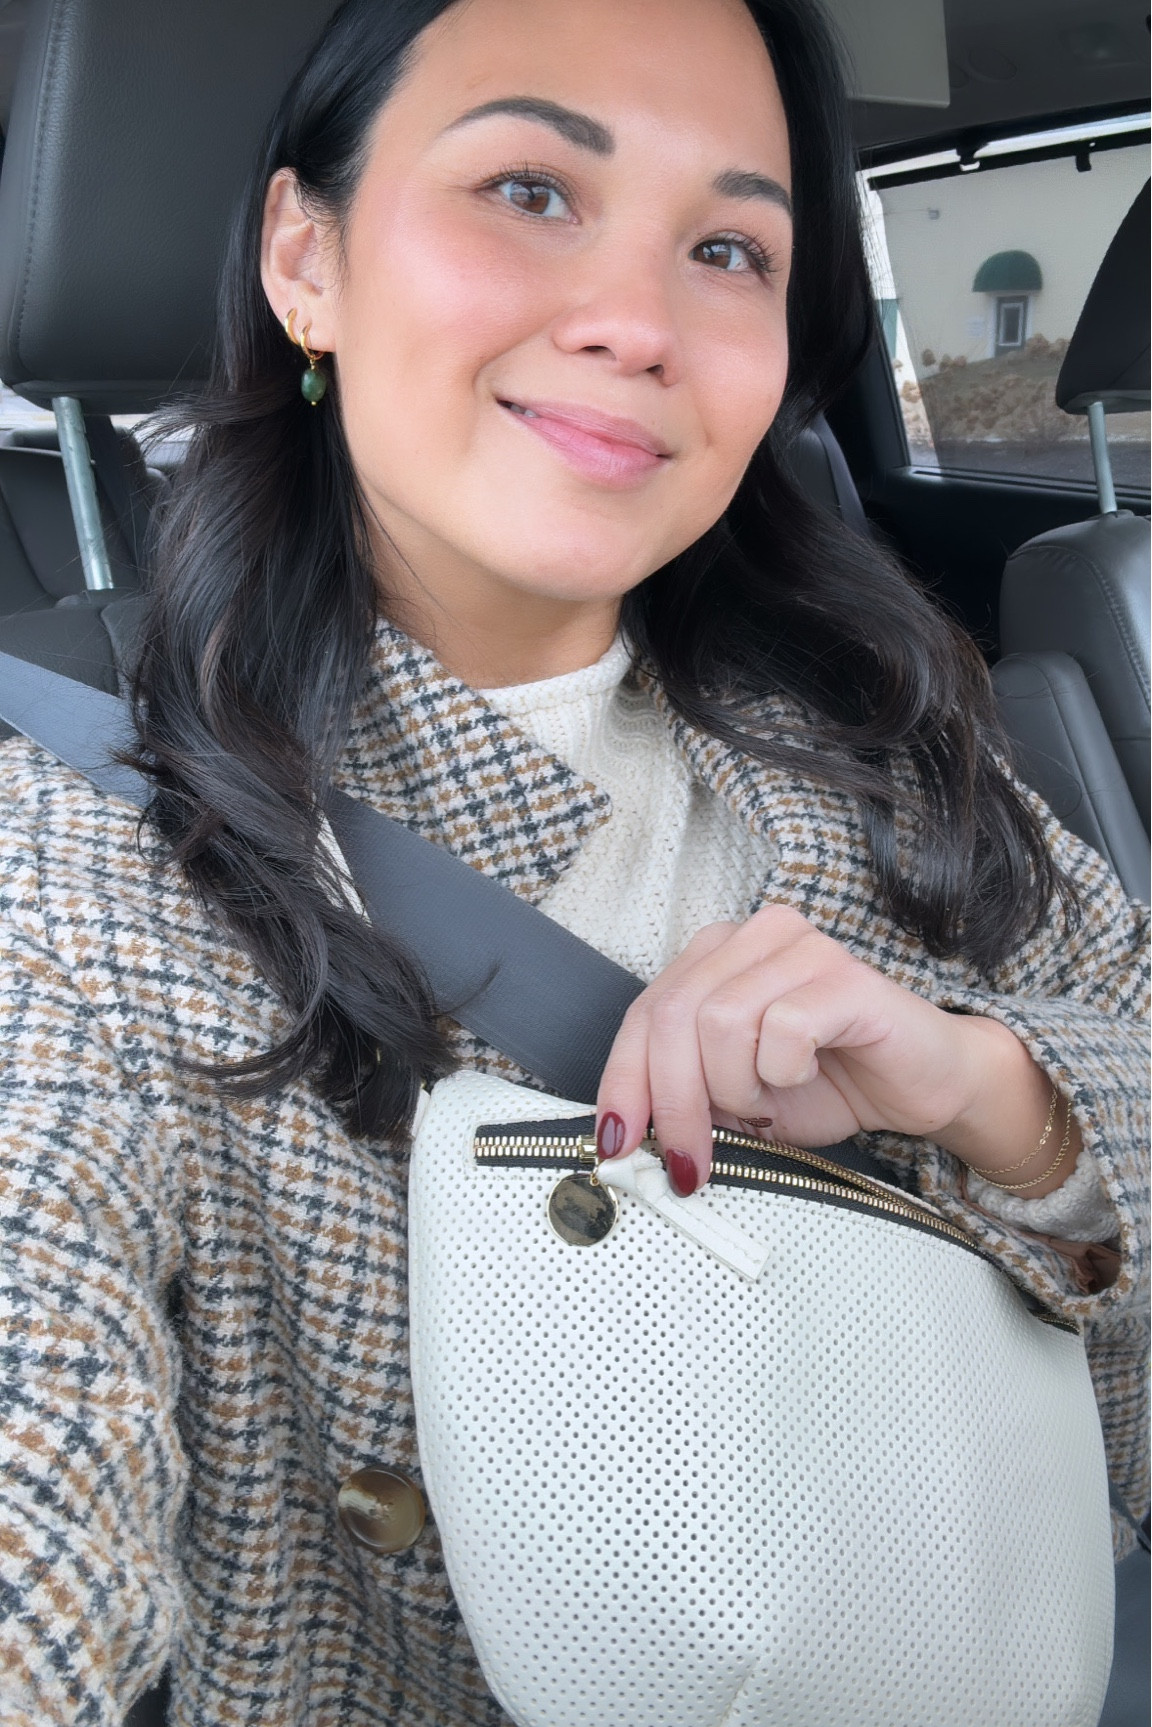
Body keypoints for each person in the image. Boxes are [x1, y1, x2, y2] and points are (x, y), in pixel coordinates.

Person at [0, 0, 1146, 1720]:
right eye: (531, 189)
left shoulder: (899, 724)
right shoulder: (84, 860)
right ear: (305, 259)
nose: (637, 323)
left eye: (728, 247)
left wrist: (1003, 1100)